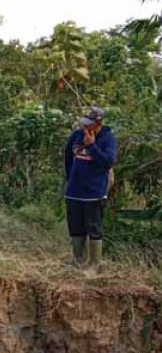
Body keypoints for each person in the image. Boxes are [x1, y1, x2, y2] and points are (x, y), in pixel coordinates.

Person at [64, 106, 117, 270]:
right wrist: (71, 178)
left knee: (93, 227)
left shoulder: (107, 138)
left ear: (98, 123)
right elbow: (68, 158)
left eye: (89, 123)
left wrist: (92, 146)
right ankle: (78, 260)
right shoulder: (76, 136)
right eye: (84, 123)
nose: (84, 126)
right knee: (75, 227)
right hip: (74, 191)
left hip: (94, 192)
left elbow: (108, 161)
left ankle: (94, 264)